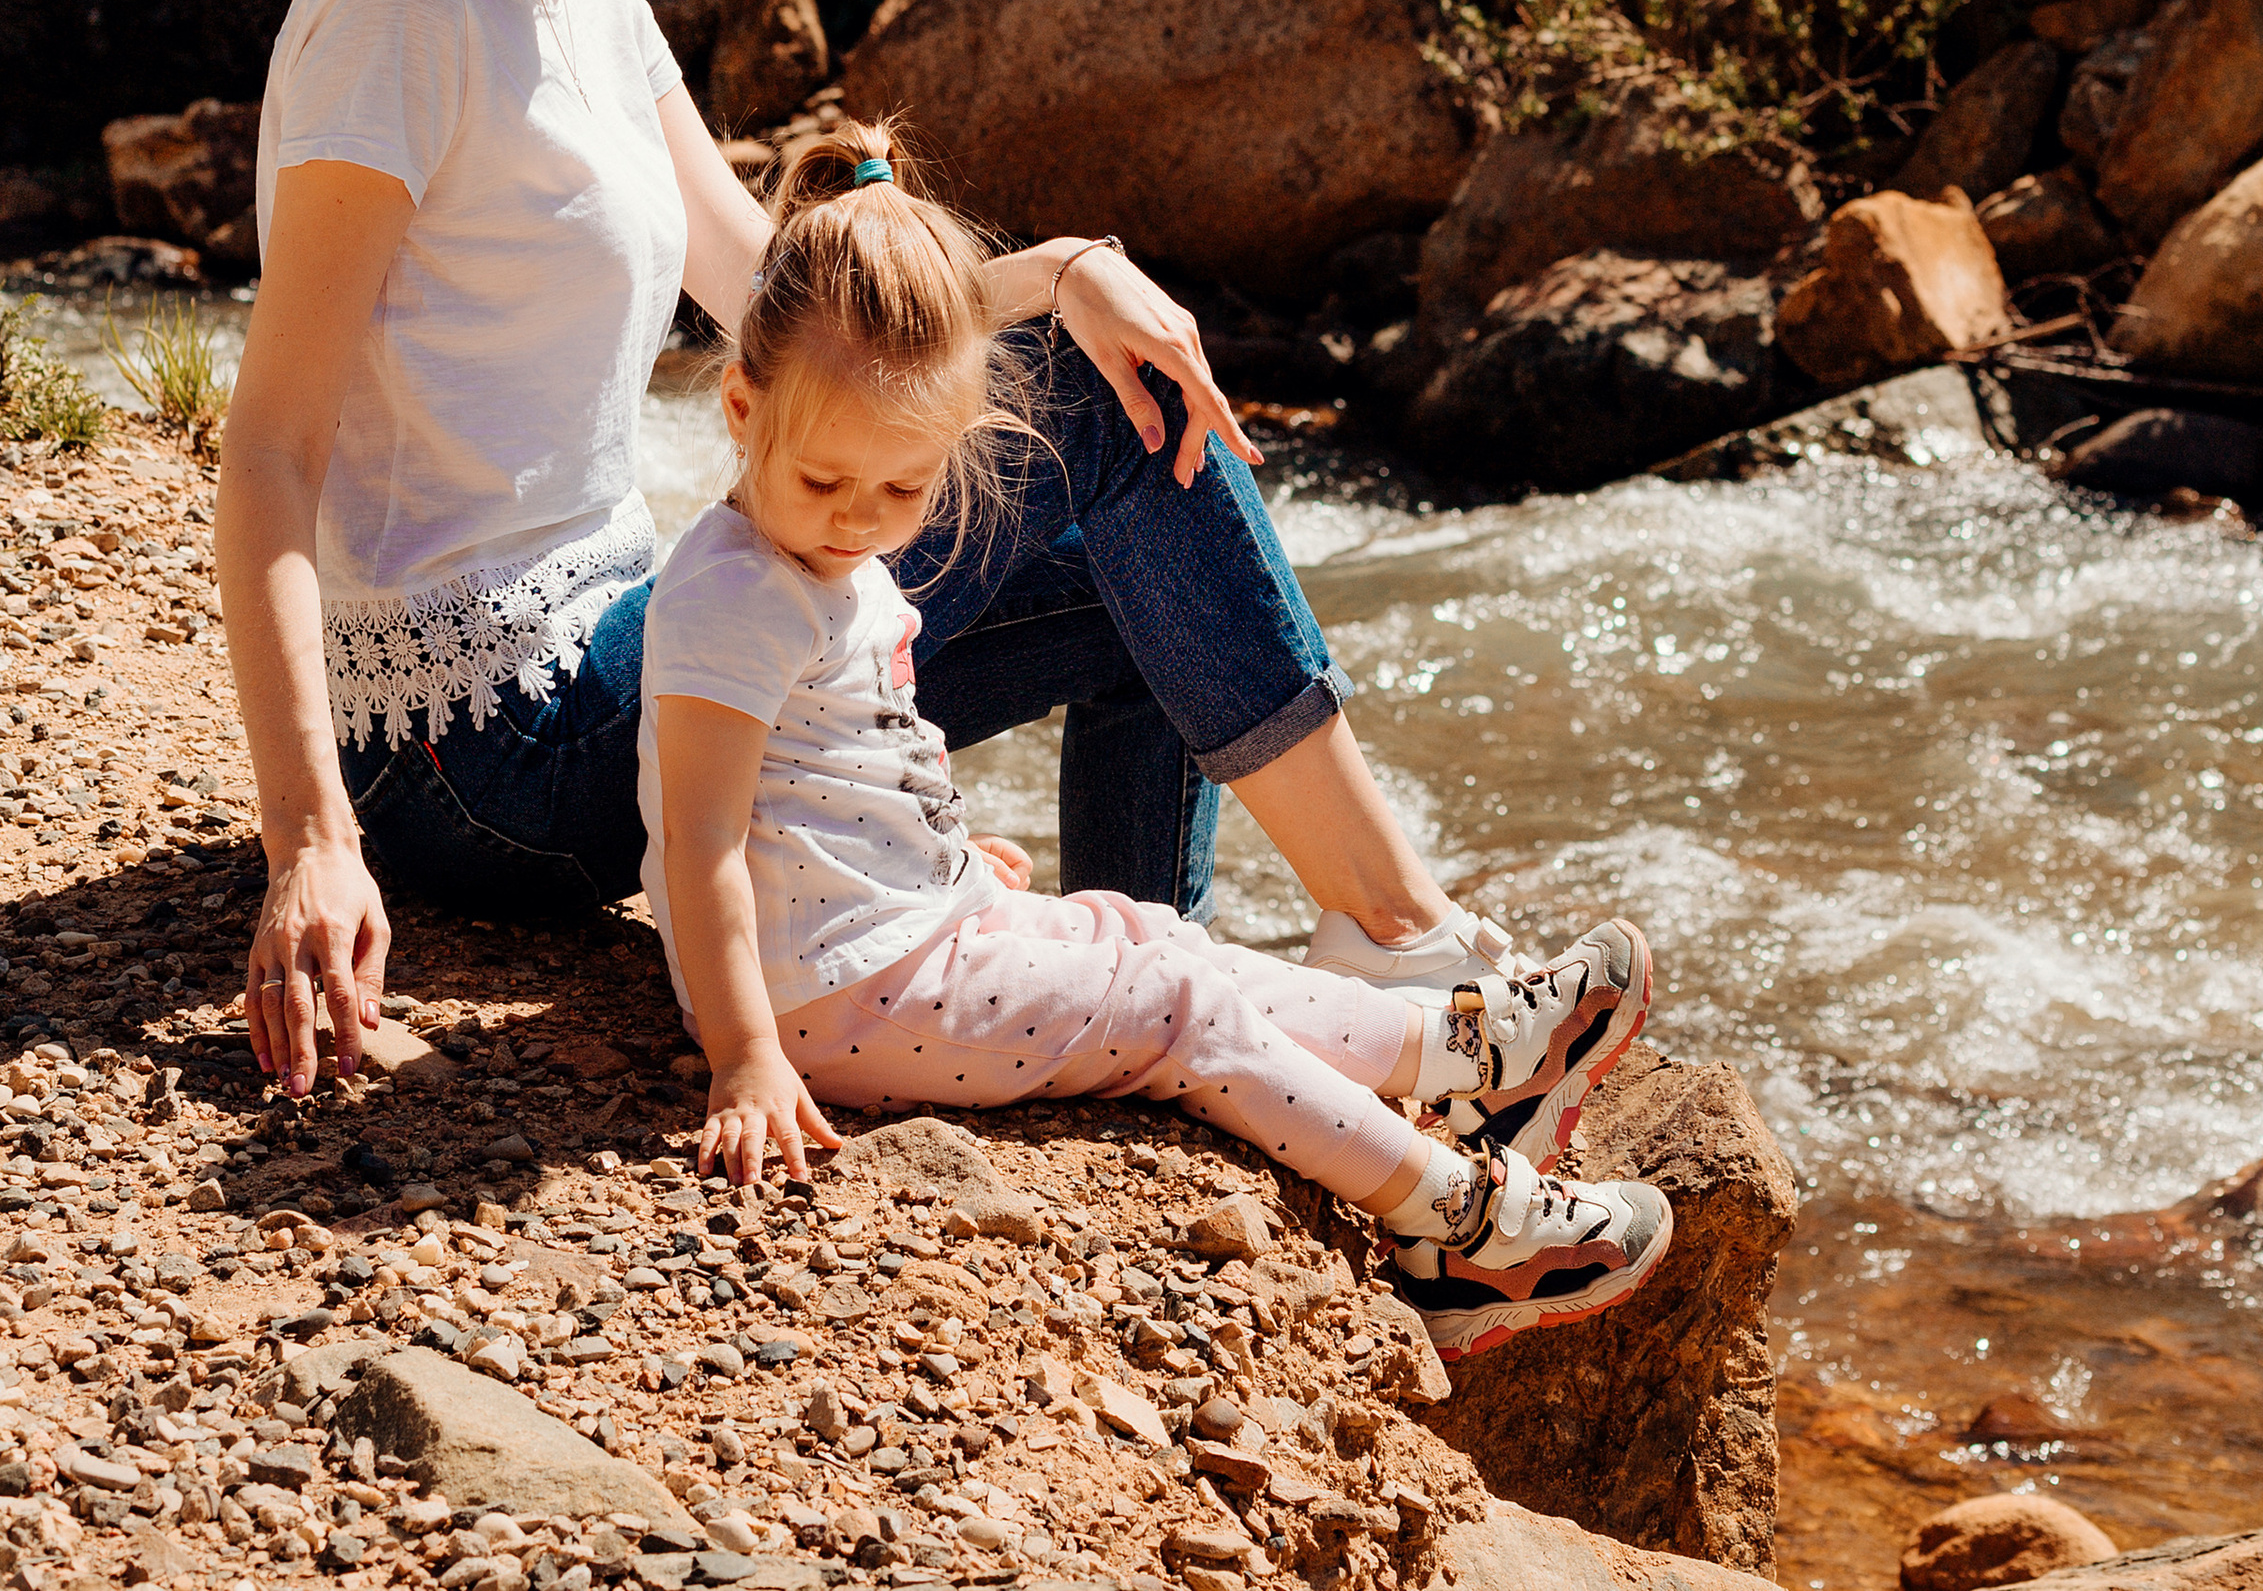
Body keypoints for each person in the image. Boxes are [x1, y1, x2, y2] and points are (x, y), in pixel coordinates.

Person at [216, 0, 1549, 1108]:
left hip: (626, 664)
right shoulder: (401, 3)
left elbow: (782, 304)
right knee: (1093, 429)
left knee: (1132, 513)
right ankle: (1406, 947)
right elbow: (270, 450)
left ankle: (1193, 1027)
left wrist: (1055, 270)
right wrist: (312, 846)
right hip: (475, 752)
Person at [642, 116, 1669, 1362]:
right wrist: (746, 1057)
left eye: (904, 489)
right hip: (826, 999)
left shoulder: (830, 557)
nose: (861, 517)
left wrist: (953, 865)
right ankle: (1452, 1223)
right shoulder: (728, 592)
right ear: (739, 409)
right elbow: (699, 838)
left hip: (888, 937)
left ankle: (1465, 1051)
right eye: (825, 482)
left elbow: (847, 758)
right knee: (1179, 1007)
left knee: (1153, 935)